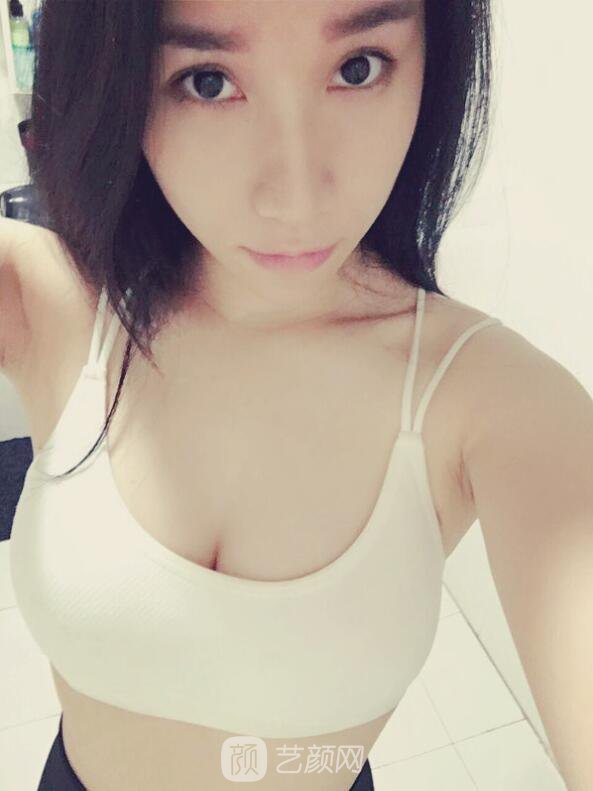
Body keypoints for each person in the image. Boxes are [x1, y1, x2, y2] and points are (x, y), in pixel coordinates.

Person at [7, 2, 587, 790]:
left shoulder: (493, 401)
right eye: (207, 81)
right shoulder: (53, 305)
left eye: (357, 67)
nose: (295, 197)